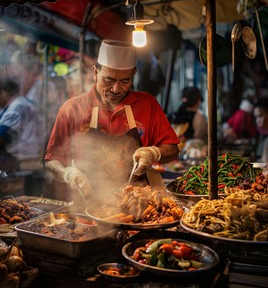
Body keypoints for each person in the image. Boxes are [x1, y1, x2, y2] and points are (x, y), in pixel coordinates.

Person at [44, 39, 180, 203]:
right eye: (109, 80)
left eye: (125, 81)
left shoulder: (147, 104)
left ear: (133, 75)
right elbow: (52, 161)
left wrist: (154, 153)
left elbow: (173, 150)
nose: (116, 89)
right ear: (95, 73)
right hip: (87, 207)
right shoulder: (72, 109)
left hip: (139, 205)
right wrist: (68, 174)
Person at [0, 77, 45, 171]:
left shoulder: (16, 108)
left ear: (3, 92)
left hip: (24, 164)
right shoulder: (22, 103)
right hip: (29, 162)